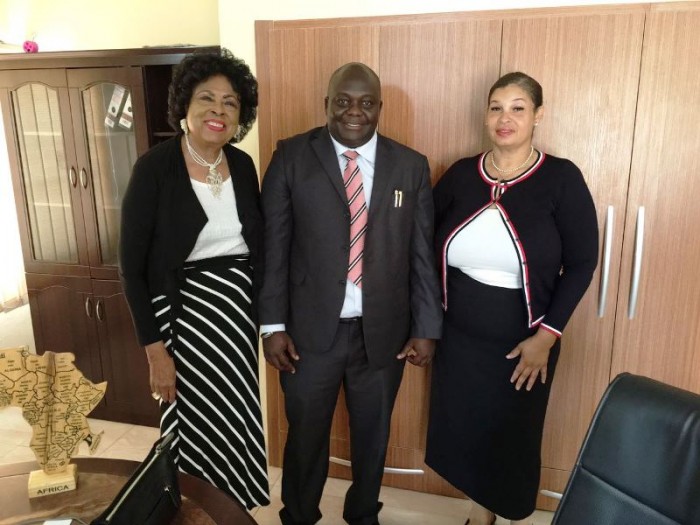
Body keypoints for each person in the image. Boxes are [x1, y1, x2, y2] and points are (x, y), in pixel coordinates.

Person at [259, 62, 443, 525]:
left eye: (365, 102)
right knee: (305, 439)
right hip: (306, 334)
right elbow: (273, 249)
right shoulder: (291, 156)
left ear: (380, 107)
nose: (353, 112)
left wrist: (426, 327)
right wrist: (273, 325)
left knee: (373, 437)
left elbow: (421, 254)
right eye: (343, 101)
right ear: (327, 104)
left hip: (381, 335)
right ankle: (299, 515)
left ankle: (364, 515)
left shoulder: (411, 166)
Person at [425, 72, 598, 525]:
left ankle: (493, 513)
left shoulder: (561, 178)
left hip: (524, 340)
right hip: (457, 335)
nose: (506, 118)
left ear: (538, 116)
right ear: (485, 115)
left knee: (508, 433)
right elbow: (422, 241)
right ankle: (478, 513)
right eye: (496, 107)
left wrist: (547, 337)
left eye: (518, 108)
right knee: (463, 427)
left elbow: (582, 263)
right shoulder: (462, 174)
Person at [119, 48, 269, 509]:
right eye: (207, 98)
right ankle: (189, 511)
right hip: (181, 320)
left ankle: (228, 511)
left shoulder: (242, 165)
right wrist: (154, 352)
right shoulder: (155, 167)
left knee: (232, 416)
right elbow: (132, 265)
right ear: (185, 105)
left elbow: (257, 246)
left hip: (235, 318)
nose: (218, 111)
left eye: (230, 103)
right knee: (189, 427)